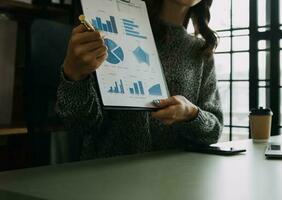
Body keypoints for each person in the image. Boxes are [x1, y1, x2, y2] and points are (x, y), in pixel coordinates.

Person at [56, 0, 223, 160]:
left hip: (174, 179)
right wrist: (74, 75)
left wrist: (191, 114)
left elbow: (213, 131)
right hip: (107, 176)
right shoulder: (108, 32)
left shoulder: (200, 52)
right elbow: (77, 123)